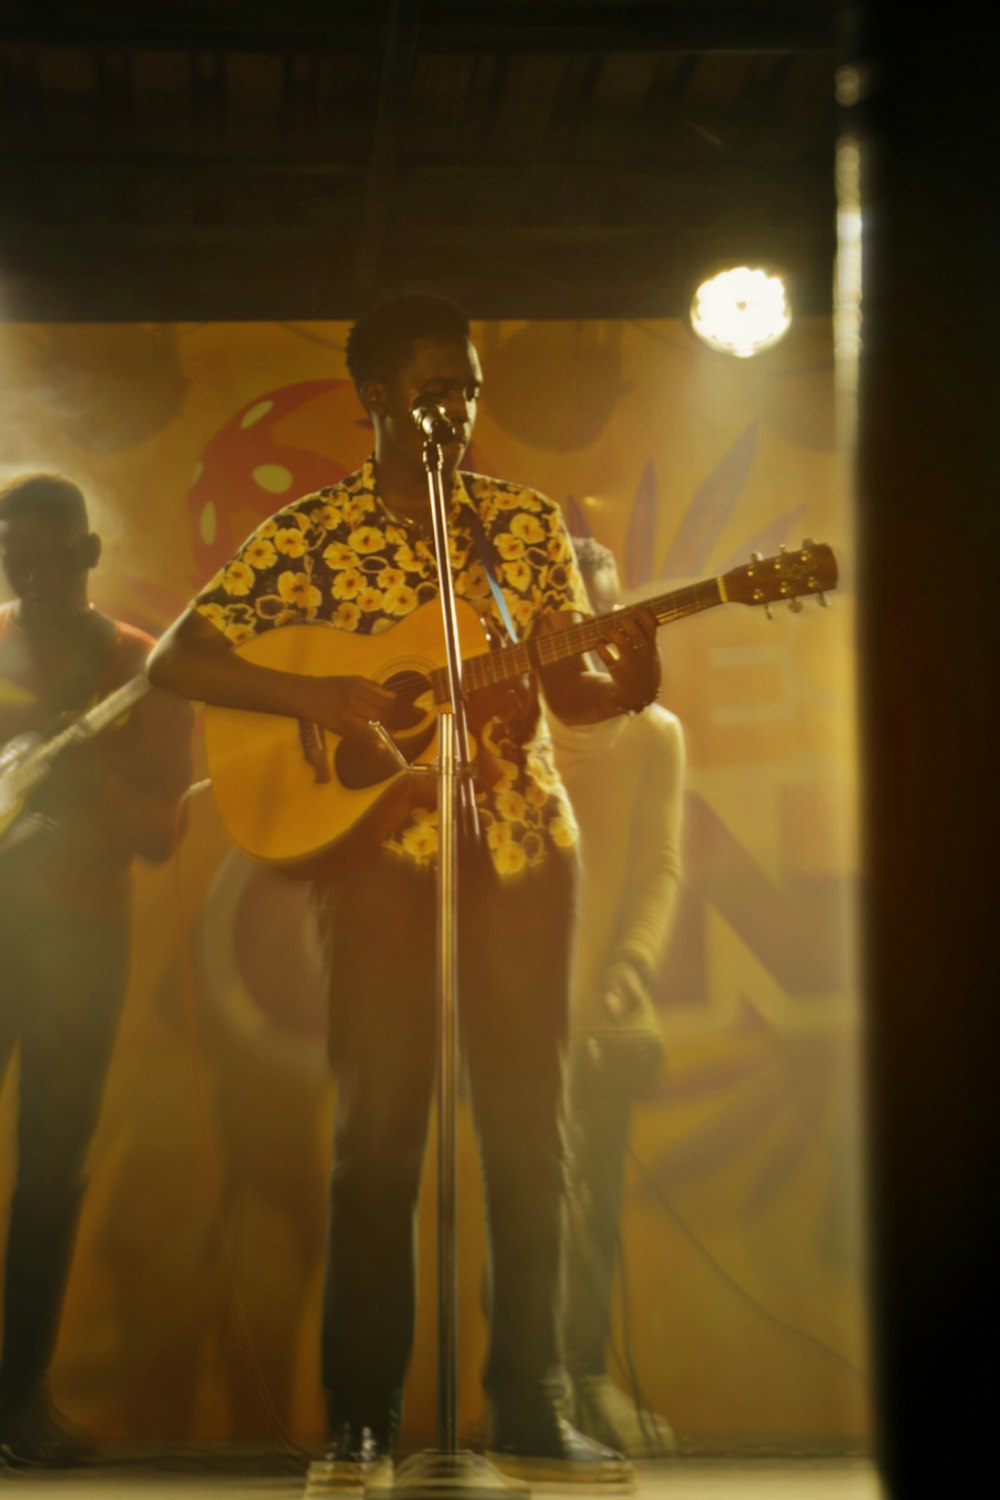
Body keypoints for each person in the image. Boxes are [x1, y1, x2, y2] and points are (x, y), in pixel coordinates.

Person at [147, 292, 662, 1483]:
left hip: (525, 847)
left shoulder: (521, 526)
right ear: (376, 396)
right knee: (378, 1139)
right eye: (434, 386)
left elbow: (571, 692)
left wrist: (633, 673)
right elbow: (182, 655)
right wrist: (320, 698)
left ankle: (531, 1405)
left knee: (533, 1135)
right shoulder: (310, 534)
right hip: (380, 862)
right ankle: (363, 1417)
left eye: (469, 386)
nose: (457, 407)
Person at [0, 472, 192, 1467]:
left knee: (49, 1179)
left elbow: (165, 833)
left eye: (47, 553)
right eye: (11, 555)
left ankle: (15, 1401)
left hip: (80, 948)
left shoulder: (139, 666)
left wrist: (88, 791)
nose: (28, 572)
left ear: (88, 554)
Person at [550, 537, 684, 1458]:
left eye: (602, 624)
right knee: (523, 1205)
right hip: (516, 1007)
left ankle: (587, 1379)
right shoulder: (506, 723)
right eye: (570, 627)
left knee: (594, 1197)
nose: (590, 645)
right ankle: (534, 1391)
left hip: (606, 1008)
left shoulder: (652, 733)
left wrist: (631, 962)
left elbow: (657, 868)